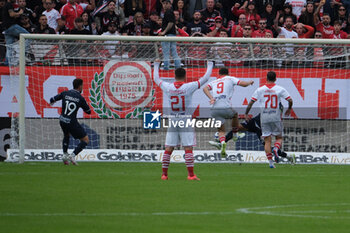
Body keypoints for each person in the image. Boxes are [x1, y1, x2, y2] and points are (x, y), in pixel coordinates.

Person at [153, 60, 214, 180]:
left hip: (173, 120)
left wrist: (156, 65)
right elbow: (205, 78)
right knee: (188, 147)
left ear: (174, 76)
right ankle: (191, 175)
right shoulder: (188, 87)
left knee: (169, 148)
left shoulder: (168, 87)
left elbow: (156, 79)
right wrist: (210, 64)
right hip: (185, 120)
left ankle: (164, 174)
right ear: (185, 76)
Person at [245, 71, 293, 168]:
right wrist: (289, 108)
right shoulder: (280, 89)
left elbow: (250, 103)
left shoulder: (260, 90)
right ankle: (276, 149)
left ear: (266, 78)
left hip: (264, 117)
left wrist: (246, 113)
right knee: (279, 138)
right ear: (275, 79)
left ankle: (271, 163)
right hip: (276, 117)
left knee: (267, 140)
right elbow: (290, 100)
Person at [203, 67, 254, 157]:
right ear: (228, 73)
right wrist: (250, 82)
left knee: (221, 130)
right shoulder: (230, 78)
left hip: (214, 109)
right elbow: (244, 84)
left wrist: (211, 98)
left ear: (219, 74)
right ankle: (234, 134)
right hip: (225, 106)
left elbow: (205, 88)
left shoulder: (214, 82)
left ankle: (222, 142)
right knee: (235, 115)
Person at [49, 78, 91, 165]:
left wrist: (52, 102)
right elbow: (88, 111)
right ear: (80, 87)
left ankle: (64, 155)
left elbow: (52, 99)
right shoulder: (80, 98)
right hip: (71, 122)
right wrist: (83, 104)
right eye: (82, 86)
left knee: (66, 135)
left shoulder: (65, 93)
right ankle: (73, 155)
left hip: (62, 120)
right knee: (85, 140)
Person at [158, 0, 181, 70]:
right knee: (174, 53)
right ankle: (178, 68)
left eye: (166, 3)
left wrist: (164, 32)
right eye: (163, 3)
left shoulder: (168, 12)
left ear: (170, 4)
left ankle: (166, 68)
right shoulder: (170, 12)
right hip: (172, 34)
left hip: (167, 35)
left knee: (166, 53)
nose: (165, 5)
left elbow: (170, 23)